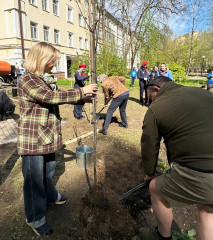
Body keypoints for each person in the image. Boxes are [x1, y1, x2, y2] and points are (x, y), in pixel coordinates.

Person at [17, 42, 97, 236]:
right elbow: (48, 97)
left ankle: (50, 196)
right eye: (53, 60)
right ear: (42, 58)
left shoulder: (41, 78)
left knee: (48, 171)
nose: (54, 63)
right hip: (33, 139)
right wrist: (81, 91)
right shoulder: (27, 79)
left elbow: (55, 96)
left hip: (46, 136)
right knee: (34, 180)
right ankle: (35, 217)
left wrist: (81, 100)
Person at [140, 76, 213, 240]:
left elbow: (149, 146)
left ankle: (162, 235)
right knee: (208, 208)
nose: (150, 101)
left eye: (150, 96)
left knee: (155, 189)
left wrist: (150, 173)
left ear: (156, 90)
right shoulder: (202, 93)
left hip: (202, 169)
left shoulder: (156, 108)